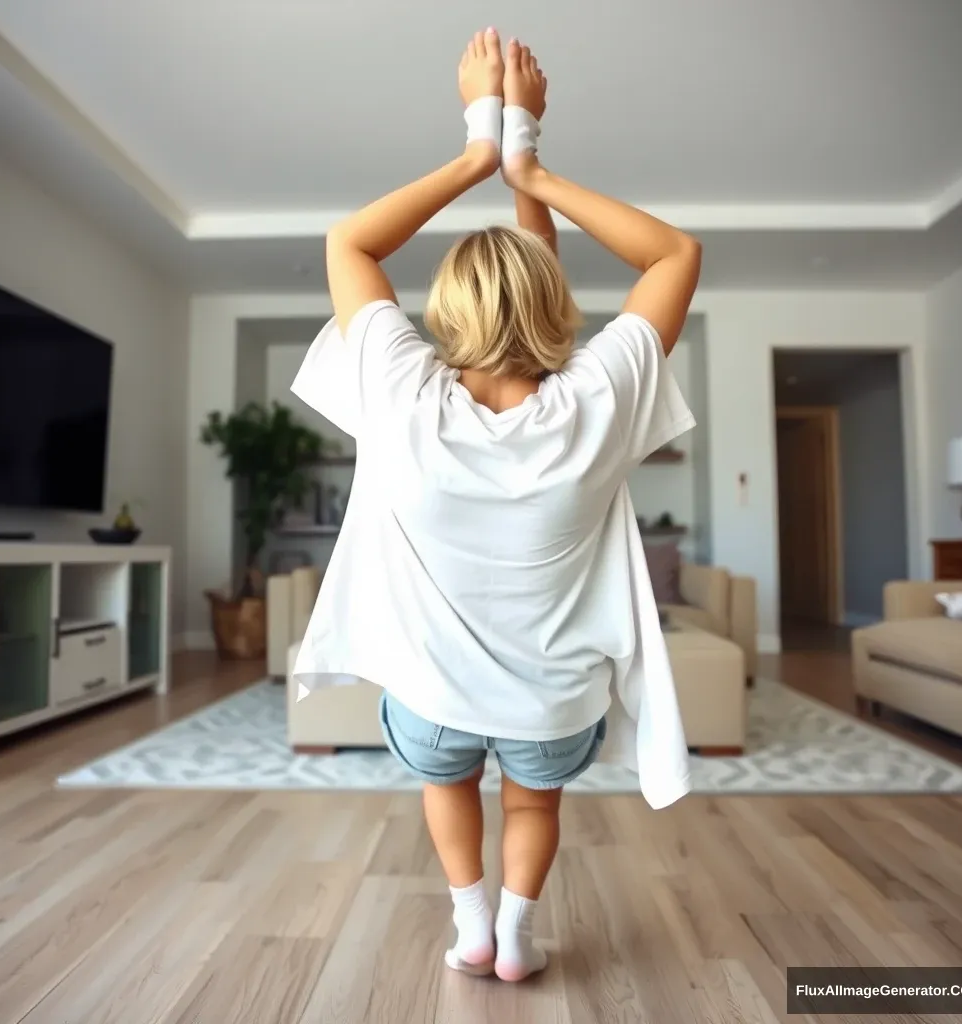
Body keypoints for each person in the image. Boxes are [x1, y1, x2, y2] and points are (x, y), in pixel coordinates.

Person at [290, 28, 701, 982]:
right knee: (532, 804)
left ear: (445, 317)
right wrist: (532, 165)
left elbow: (350, 241)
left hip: (434, 697)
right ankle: (515, 934)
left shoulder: (405, 397)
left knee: (449, 786)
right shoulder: (592, 406)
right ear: (556, 311)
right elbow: (674, 254)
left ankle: (470, 924)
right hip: (552, 703)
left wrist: (479, 145)